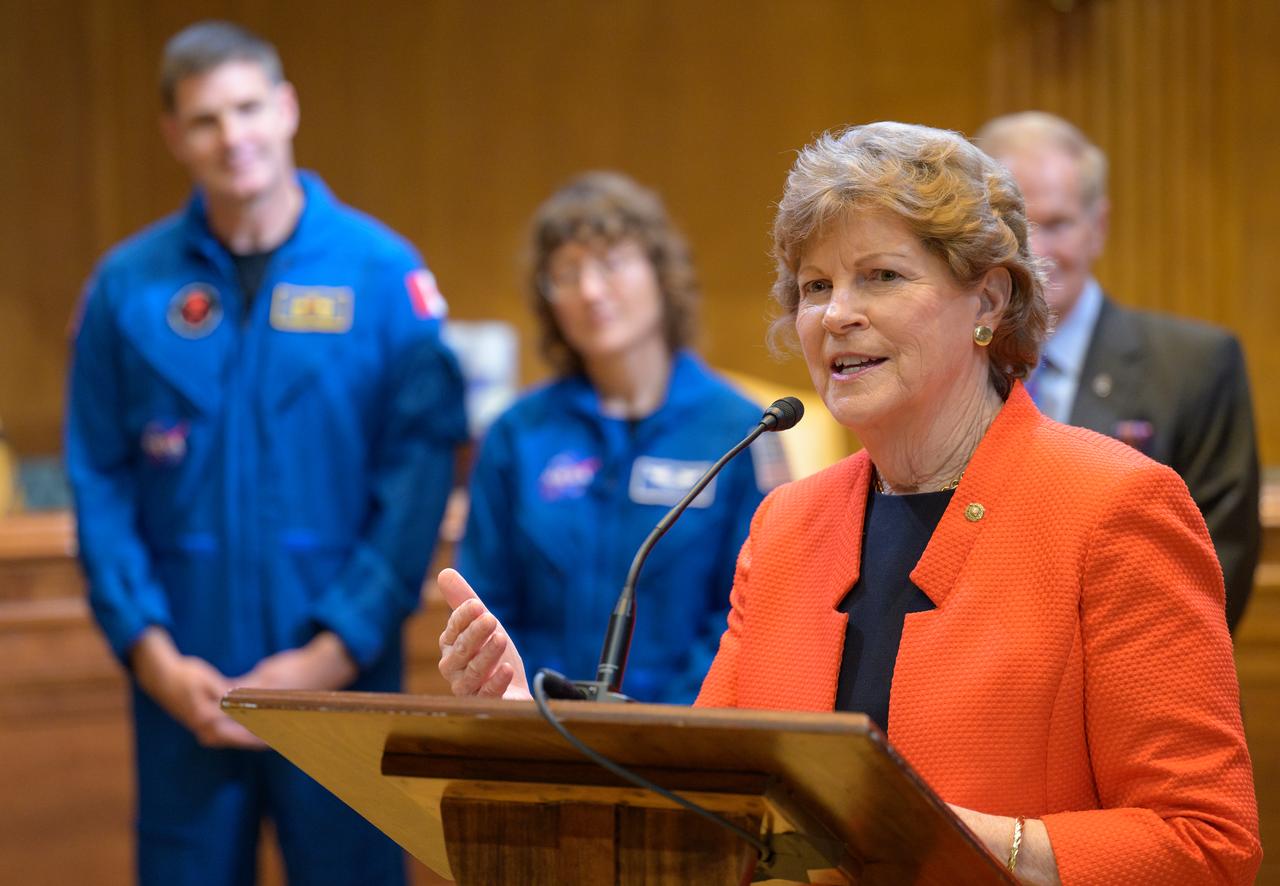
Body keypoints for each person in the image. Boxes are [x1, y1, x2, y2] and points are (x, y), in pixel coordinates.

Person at [436, 123, 1261, 884]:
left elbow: (1205, 844)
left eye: (881, 276)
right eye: (814, 285)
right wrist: (536, 733)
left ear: (989, 302)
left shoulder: (1116, 507)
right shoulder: (789, 524)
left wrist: (964, 840)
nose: (836, 314)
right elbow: (710, 794)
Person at [66, 21, 466, 886]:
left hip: (340, 689)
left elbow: (417, 479)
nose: (232, 136)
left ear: (286, 109)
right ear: (174, 136)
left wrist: (328, 655)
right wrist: (152, 655)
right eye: (205, 119)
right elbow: (97, 478)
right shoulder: (126, 289)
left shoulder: (381, 274)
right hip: (186, 687)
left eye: (248, 107)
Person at [454, 171, 787, 704]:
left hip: (687, 738)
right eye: (565, 274)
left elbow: (747, 615)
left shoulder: (740, 432)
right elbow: (487, 602)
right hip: (535, 731)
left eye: (610, 264)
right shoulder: (518, 434)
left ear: (659, 272)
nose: (590, 291)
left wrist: (660, 729)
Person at [975, 111, 1261, 633]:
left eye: (1057, 224)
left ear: (1097, 228)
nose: (1036, 252)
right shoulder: (952, 370)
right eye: (1016, 228)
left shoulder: (1196, 366)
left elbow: (1220, 572)